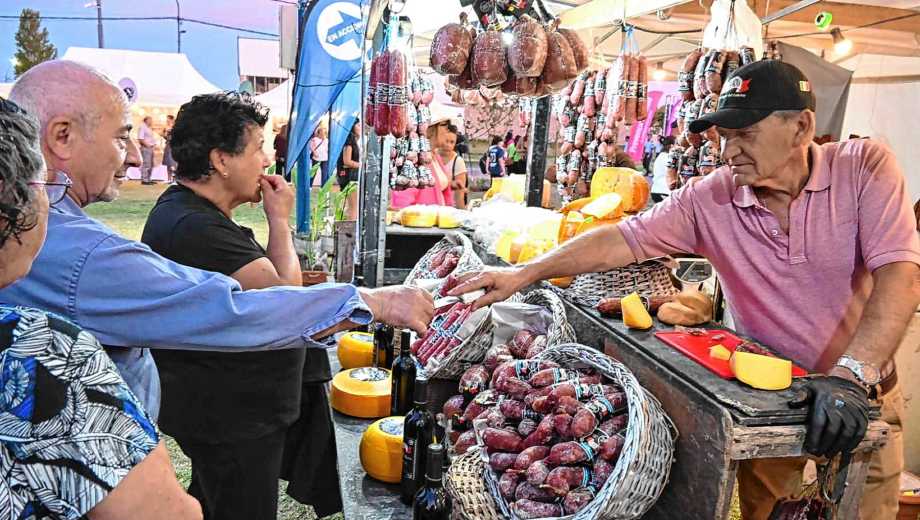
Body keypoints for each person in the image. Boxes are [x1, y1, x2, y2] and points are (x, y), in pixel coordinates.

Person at [449, 60, 919, 520]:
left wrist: (851, 374)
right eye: (725, 137)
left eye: (745, 135)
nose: (728, 152)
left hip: (863, 392)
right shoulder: (711, 196)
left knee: (867, 507)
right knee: (771, 511)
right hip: (775, 401)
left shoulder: (864, 168)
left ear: (800, 127)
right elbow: (621, 239)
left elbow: (902, 273)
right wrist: (524, 273)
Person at [0, 61, 434, 424]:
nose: (133, 155)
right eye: (121, 136)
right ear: (62, 137)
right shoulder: (84, 252)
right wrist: (372, 302)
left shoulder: (60, 232)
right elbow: (237, 310)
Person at [0, 96, 202, 520]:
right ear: (10, 202)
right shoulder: (38, 350)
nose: (129, 155)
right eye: (46, 189)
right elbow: (169, 515)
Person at [141, 92, 341, 520]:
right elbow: (284, 301)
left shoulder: (190, 212)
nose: (268, 160)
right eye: (258, 148)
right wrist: (279, 220)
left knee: (215, 500)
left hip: (226, 410)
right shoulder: (193, 225)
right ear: (221, 160)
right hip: (230, 417)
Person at [440, 124, 469, 209]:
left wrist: (461, 213)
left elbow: (459, 195)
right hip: (433, 207)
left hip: (451, 209)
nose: (448, 145)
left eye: (452, 142)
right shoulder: (431, 157)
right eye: (446, 141)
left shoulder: (458, 162)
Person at [337, 119, 361, 219]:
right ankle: (351, 230)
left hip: (350, 176)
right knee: (353, 207)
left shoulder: (353, 141)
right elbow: (347, 161)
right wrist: (361, 165)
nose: (360, 128)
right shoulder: (349, 143)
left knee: (352, 206)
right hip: (349, 177)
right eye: (358, 126)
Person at [650, 135, 675, 203]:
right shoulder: (668, 157)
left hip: (656, 189)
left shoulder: (661, 156)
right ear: (671, 146)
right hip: (664, 191)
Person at [138, 115, 157, 185]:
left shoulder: (149, 128)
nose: (151, 122)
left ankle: (149, 178)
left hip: (150, 148)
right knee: (146, 164)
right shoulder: (142, 127)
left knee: (151, 164)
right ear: (146, 120)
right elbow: (140, 138)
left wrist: (153, 145)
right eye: (150, 120)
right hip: (146, 148)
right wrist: (147, 145)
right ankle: (144, 179)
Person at [162, 114, 176, 182]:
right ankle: (168, 178)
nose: (167, 120)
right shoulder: (166, 127)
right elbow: (165, 137)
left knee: (172, 162)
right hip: (167, 145)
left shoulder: (175, 127)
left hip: (173, 146)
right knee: (168, 163)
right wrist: (164, 134)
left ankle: (174, 179)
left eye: (168, 119)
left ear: (171, 119)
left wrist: (170, 131)